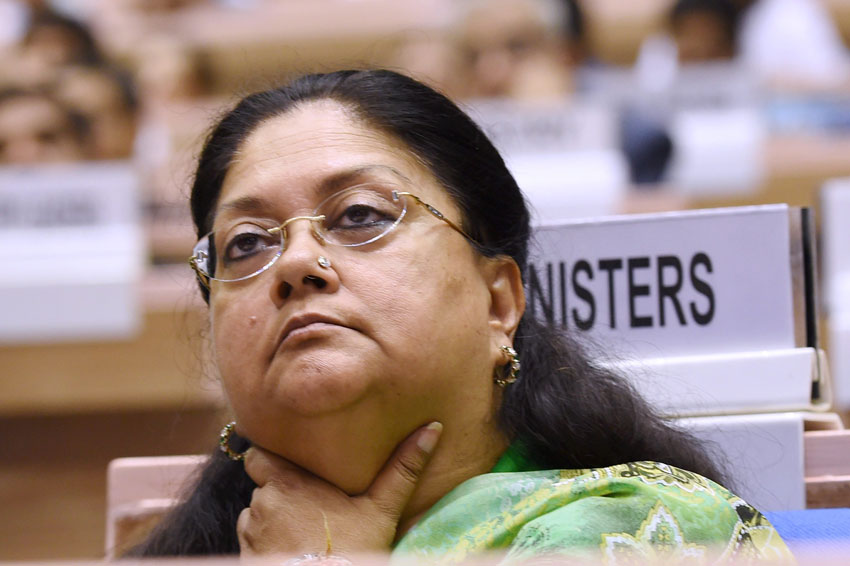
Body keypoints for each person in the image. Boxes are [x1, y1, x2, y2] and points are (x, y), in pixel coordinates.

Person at [128, 69, 791, 563]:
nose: (297, 262)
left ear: (499, 302)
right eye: (247, 243)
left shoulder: (655, 532)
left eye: (360, 215)